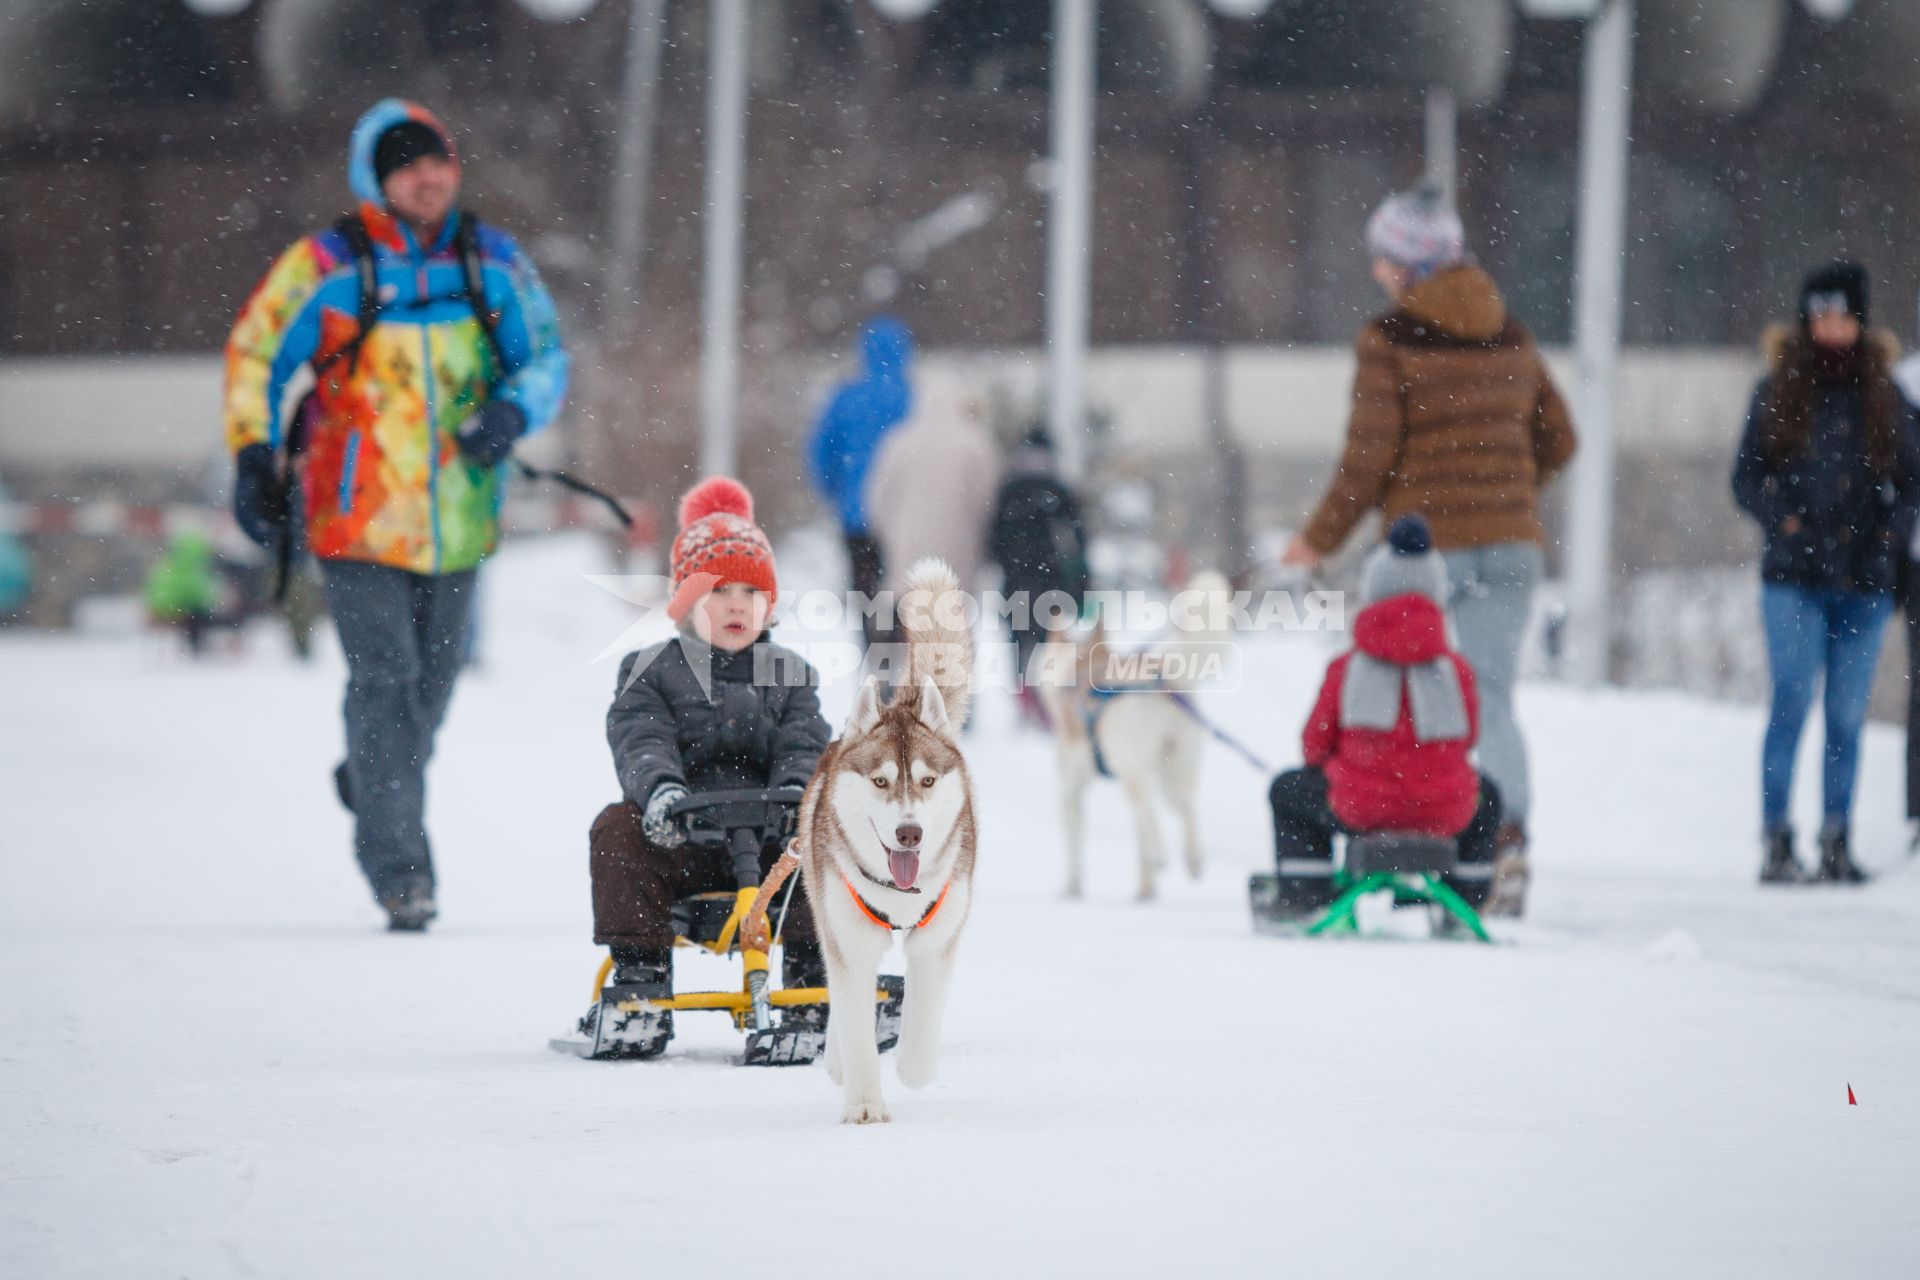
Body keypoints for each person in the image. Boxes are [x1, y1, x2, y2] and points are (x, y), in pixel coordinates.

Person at [223, 99, 569, 930]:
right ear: (376, 179)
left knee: (431, 691)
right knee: (386, 681)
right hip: (357, 518)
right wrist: (251, 451)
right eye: (408, 164)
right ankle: (401, 870)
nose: (429, 176)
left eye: (439, 160)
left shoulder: (492, 261)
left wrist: (514, 413)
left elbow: (547, 356)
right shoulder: (329, 265)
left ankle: (374, 778)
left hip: (461, 517)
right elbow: (257, 352)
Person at [1280, 183, 1575, 917]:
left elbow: (1367, 459)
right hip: (1511, 543)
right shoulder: (1510, 332)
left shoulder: (1391, 338)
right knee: (1491, 701)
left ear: (1407, 264)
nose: (1378, 271)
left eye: (1384, 258)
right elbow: (1560, 438)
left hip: (1423, 552)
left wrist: (1315, 541)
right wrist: (1508, 490)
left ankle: (1410, 835)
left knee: (1411, 699)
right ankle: (1501, 844)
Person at [583, 477, 832, 1048]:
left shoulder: (790, 672)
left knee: (829, 838)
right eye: (720, 592)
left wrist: (798, 796)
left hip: (774, 849)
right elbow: (640, 738)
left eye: (751, 593)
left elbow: (806, 742)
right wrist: (662, 794)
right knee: (616, 831)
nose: (737, 605)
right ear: (687, 602)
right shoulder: (650, 669)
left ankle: (812, 972)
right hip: (683, 842)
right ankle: (642, 972)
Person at [1732, 262, 1919, 885]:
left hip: (1864, 584)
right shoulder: (1778, 389)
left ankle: (1836, 833)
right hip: (1793, 580)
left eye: (1840, 315)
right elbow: (1747, 477)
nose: (1829, 328)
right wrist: (1784, 523)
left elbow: (1913, 483)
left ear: (1860, 319)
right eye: (1819, 316)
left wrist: (1888, 538)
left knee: (1846, 716)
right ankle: (1776, 835)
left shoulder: (1888, 397)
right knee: (1790, 702)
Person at [1267, 515, 1503, 918]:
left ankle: (1305, 895)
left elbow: (1314, 746)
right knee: (1489, 795)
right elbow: (1469, 740)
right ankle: (1466, 899)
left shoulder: (1346, 666)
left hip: (1360, 807)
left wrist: (1357, 770)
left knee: (1287, 790)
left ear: (1374, 588)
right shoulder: (1457, 670)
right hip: (1443, 808)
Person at [864, 367, 999, 627]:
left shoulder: (898, 441)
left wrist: (889, 533)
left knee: (913, 626)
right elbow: (986, 501)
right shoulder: (975, 442)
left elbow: (877, 500)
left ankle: (911, 664)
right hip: (958, 551)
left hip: (907, 551)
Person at [809, 316, 915, 646]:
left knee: (867, 591)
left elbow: (820, 452)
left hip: (857, 515)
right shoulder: (914, 399)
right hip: (903, 516)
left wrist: (835, 493)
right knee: (903, 590)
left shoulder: (845, 397)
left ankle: (874, 655)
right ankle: (899, 652)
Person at [987, 427, 1089, 728]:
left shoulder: (1008, 487)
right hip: (1051, 579)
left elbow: (995, 539)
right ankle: (1048, 699)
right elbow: (1077, 539)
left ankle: (1023, 696)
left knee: (1019, 641)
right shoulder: (1057, 487)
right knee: (1050, 642)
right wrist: (1081, 579)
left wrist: (1007, 562)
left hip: (1017, 579)